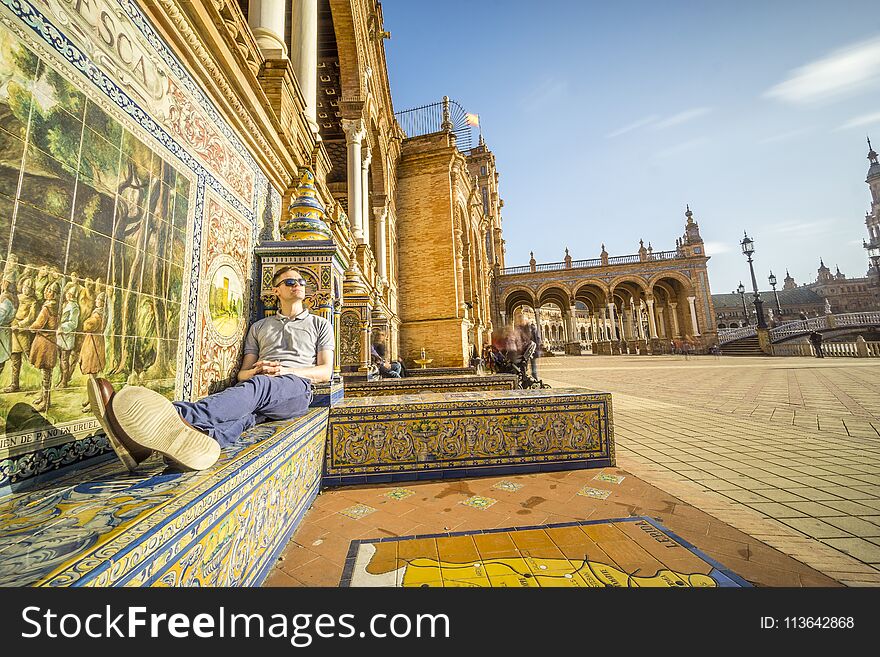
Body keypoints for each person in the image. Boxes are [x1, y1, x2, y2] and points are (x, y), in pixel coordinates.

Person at [88, 266, 334, 472]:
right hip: (259, 390)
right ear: (276, 290)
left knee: (261, 386)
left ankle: (176, 414)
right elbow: (242, 375)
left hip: (297, 390)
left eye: (301, 281)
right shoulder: (260, 327)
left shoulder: (320, 324)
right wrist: (257, 371)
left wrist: (283, 372)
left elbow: (325, 371)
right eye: (290, 281)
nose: (298, 285)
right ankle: (195, 444)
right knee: (246, 417)